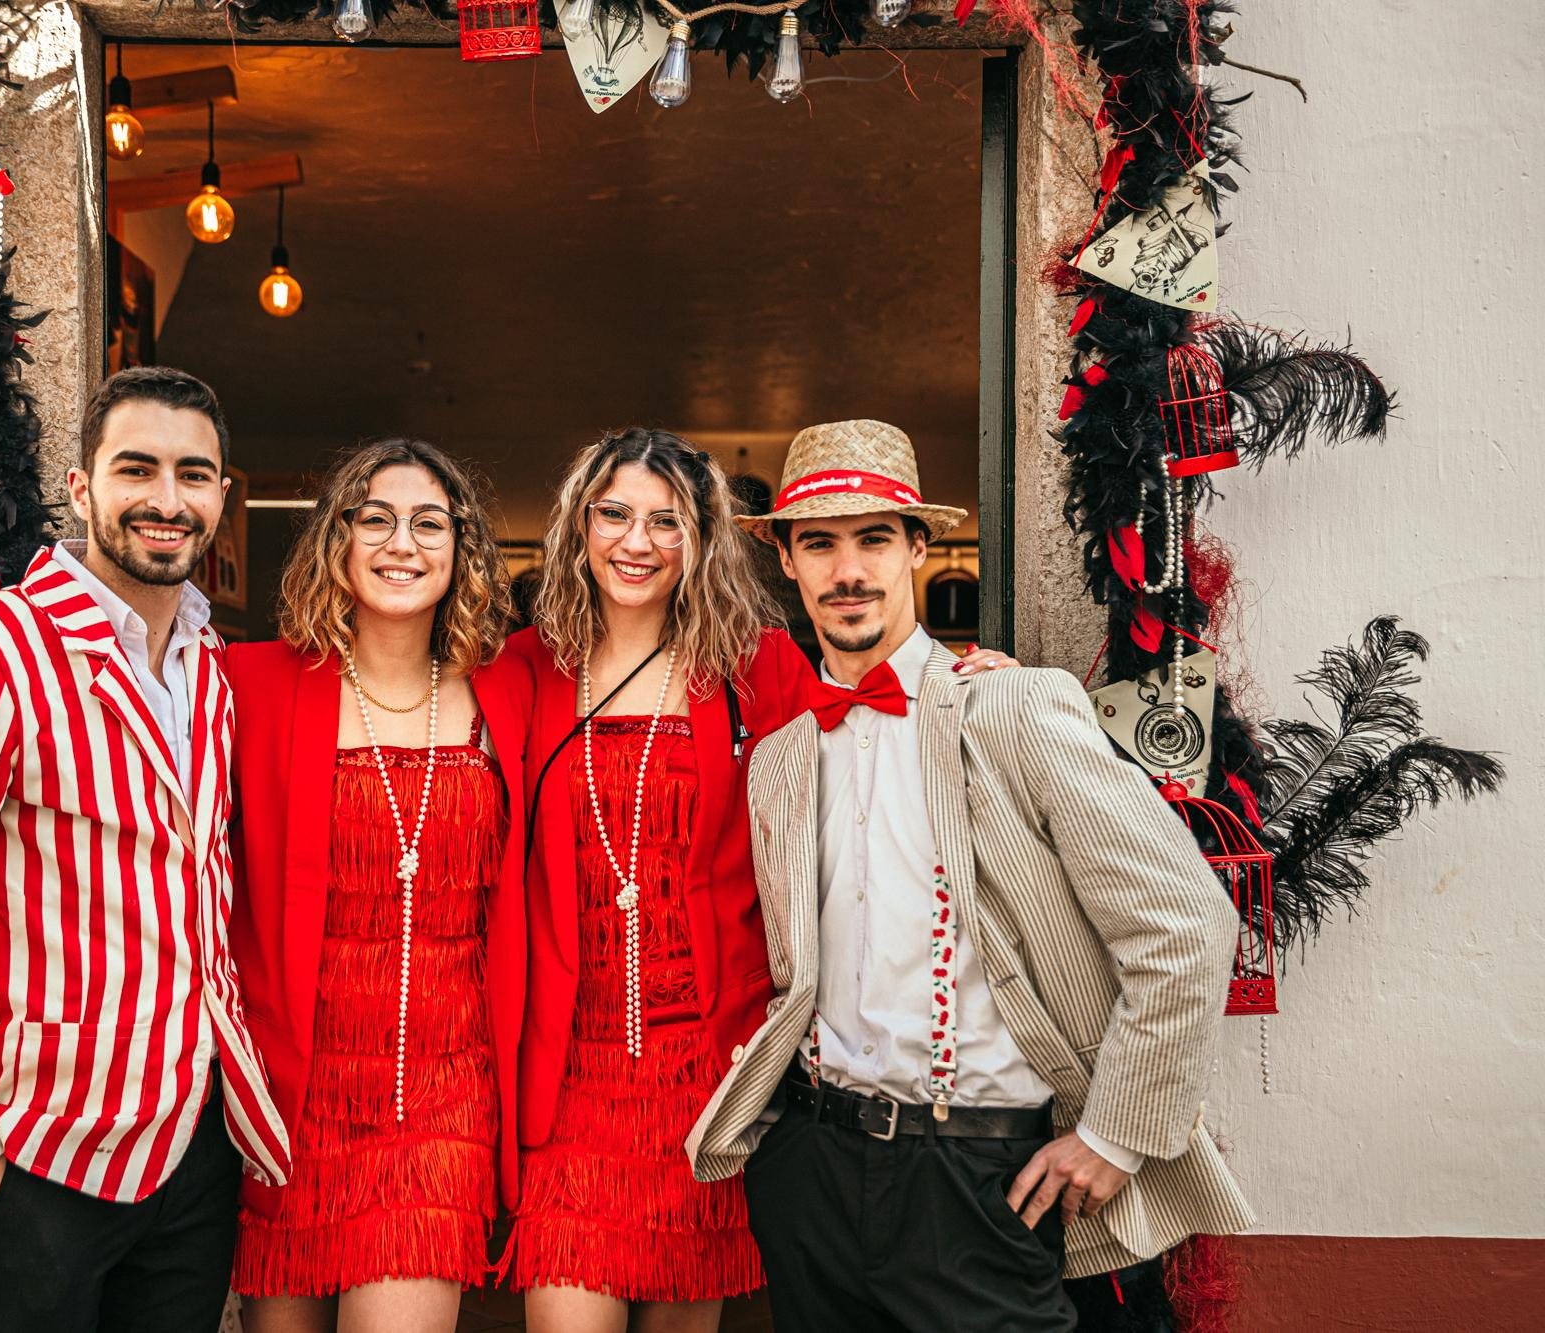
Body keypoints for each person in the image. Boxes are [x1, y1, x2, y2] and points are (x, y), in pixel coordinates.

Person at [687, 419, 1255, 1330]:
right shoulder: (781, 758)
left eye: (875, 537)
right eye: (819, 542)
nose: (849, 570)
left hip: (975, 1179)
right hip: (812, 1172)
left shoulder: (1014, 708)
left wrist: (1114, 1133)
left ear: (921, 546)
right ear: (786, 563)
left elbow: (1187, 923)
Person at [0, 367, 290, 1333]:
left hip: (196, 1161)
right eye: (137, 469)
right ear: (82, 490)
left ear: (222, 498)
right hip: (36, 1166)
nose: (167, 499)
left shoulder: (211, 669)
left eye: (194, 474)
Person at [501, 429, 815, 1331]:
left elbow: (866, 761)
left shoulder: (759, 669)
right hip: (567, 1073)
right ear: (578, 528)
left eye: (666, 521)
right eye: (614, 514)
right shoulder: (525, 664)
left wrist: (972, 682)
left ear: (703, 538)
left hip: (706, 1072)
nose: (636, 541)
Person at [225, 440, 531, 1332]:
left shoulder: (511, 688)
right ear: (338, 537)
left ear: (462, 549)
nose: (403, 542)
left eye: (429, 522)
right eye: (377, 518)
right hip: (292, 1099)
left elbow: (671, 677)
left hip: (444, 1094)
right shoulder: (251, 682)